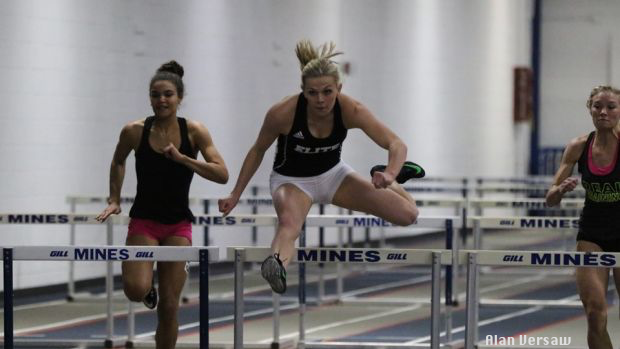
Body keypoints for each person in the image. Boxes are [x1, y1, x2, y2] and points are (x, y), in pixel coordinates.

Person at [218, 40, 423, 294]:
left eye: (327, 92)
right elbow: (258, 150)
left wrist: (390, 173)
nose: (320, 100)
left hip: (334, 175)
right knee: (290, 224)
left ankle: (390, 181)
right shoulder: (283, 113)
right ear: (302, 91)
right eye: (312, 93)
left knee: (409, 215)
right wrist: (236, 193)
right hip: (292, 181)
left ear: (339, 88)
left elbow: (396, 144)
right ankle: (276, 264)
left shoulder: (351, 110)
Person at [96, 61, 228, 349]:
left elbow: (222, 173)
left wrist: (184, 159)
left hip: (178, 225)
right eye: (155, 95)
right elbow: (118, 160)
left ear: (179, 98)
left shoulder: (194, 131)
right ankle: (147, 290)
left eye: (168, 94)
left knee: (169, 307)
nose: (162, 100)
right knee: (135, 289)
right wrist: (114, 198)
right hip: (144, 221)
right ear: (150, 98)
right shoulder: (134, 131)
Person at [546, 85, 620, 349]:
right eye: (597, 106)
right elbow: (550, 199)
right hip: (592, 234)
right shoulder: (578, 147)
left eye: (611, 107)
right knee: (594, 313)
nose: (603, 112)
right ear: (589, 108)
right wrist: (560, 190)